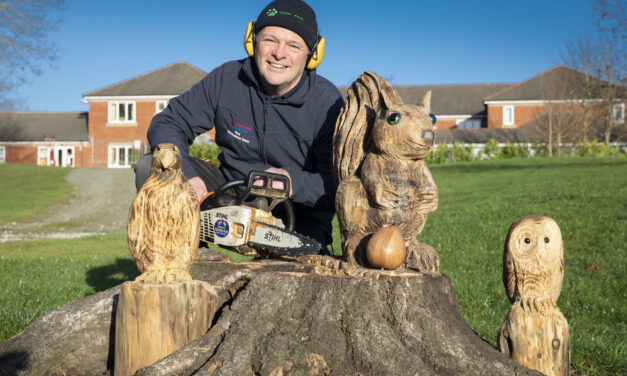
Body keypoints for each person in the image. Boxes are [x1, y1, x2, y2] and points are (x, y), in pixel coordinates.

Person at [135, 0, 344, 251]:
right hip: (229, 197)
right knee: (151, 166)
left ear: (312, 55)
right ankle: (186, 260)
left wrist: (293, 182)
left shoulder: (328, 104)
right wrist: (186, 176)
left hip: (296, 214)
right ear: (252, 41)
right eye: (270, 40)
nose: (279, 53)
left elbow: (338, 184)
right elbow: (168, 122)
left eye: (293, 45)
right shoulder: (226, 79)